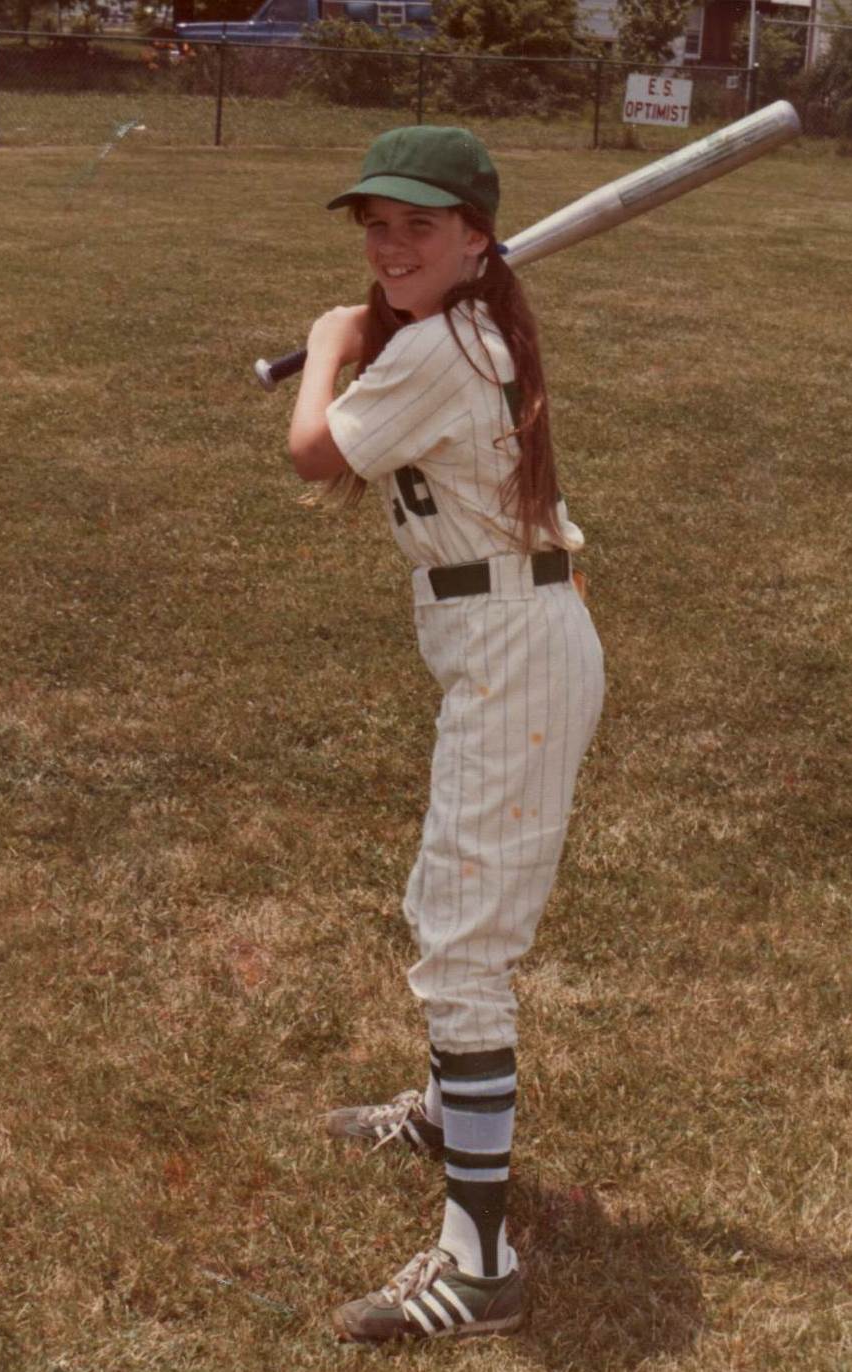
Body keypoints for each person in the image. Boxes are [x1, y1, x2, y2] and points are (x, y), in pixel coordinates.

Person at [288, 125, 604, 1344]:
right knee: (445, 898)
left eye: (421, 225)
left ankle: (479, 1267)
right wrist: (374, 328)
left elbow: (316, 452)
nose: (389, 243)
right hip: (502, 638)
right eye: (374, 223)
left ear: (476, 236)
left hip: (515, 648)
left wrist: (326, 346)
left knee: (463, 943)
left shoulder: (437, 348)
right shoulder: (460, 330)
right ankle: (441, 1103)